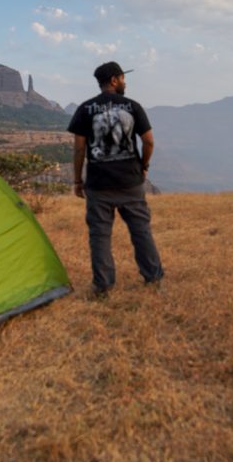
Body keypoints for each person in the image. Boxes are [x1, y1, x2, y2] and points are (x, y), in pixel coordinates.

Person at [67, 62, 165, 298]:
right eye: (122, 77)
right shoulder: (132, 107)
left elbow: (79, 150)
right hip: (130, 182)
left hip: (99, 185)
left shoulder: (84, 109)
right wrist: (143, 167)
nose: (124, 82)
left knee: (100, 236)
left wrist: (78, 181)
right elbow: (149, 141)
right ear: (113, 80)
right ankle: (153, 278)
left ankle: (103, 286)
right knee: (141, 231)